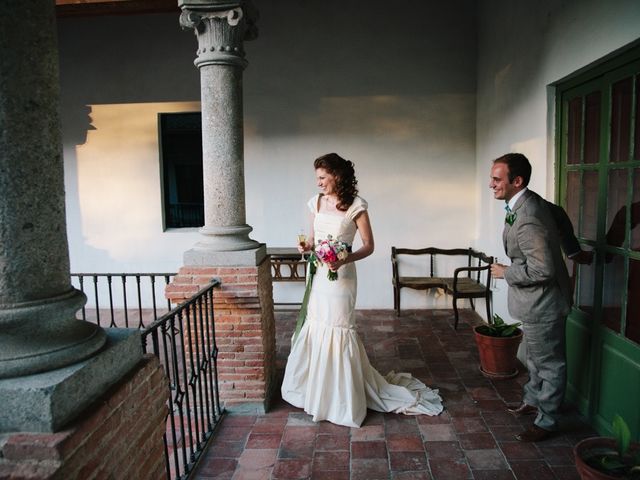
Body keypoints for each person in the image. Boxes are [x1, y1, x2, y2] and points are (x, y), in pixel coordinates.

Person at [281, 153, 443, 427]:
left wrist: (345, 258)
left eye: (322, 177)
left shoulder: (357, 206)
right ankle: (316, 393)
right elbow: (311, 240)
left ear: (337, 176)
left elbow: (368, 245)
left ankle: (343, 398)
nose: (318, 182)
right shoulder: (315, 203)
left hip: (342, 277)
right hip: (320, 276)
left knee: (339, 328)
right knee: (317, 325)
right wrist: (306, 247)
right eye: (317, 178)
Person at [489, 153, 572, 442]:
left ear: (517, 181)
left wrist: (506, 272)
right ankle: (533, 400)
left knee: (549, 363)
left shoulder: (528, 217)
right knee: (535, 359)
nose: (491, 184)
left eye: (497, 179)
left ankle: (547, 421)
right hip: (536, 301)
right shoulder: (530, 201)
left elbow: (543, 269)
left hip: (544, 303)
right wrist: (574, 252)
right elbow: (559, 213)